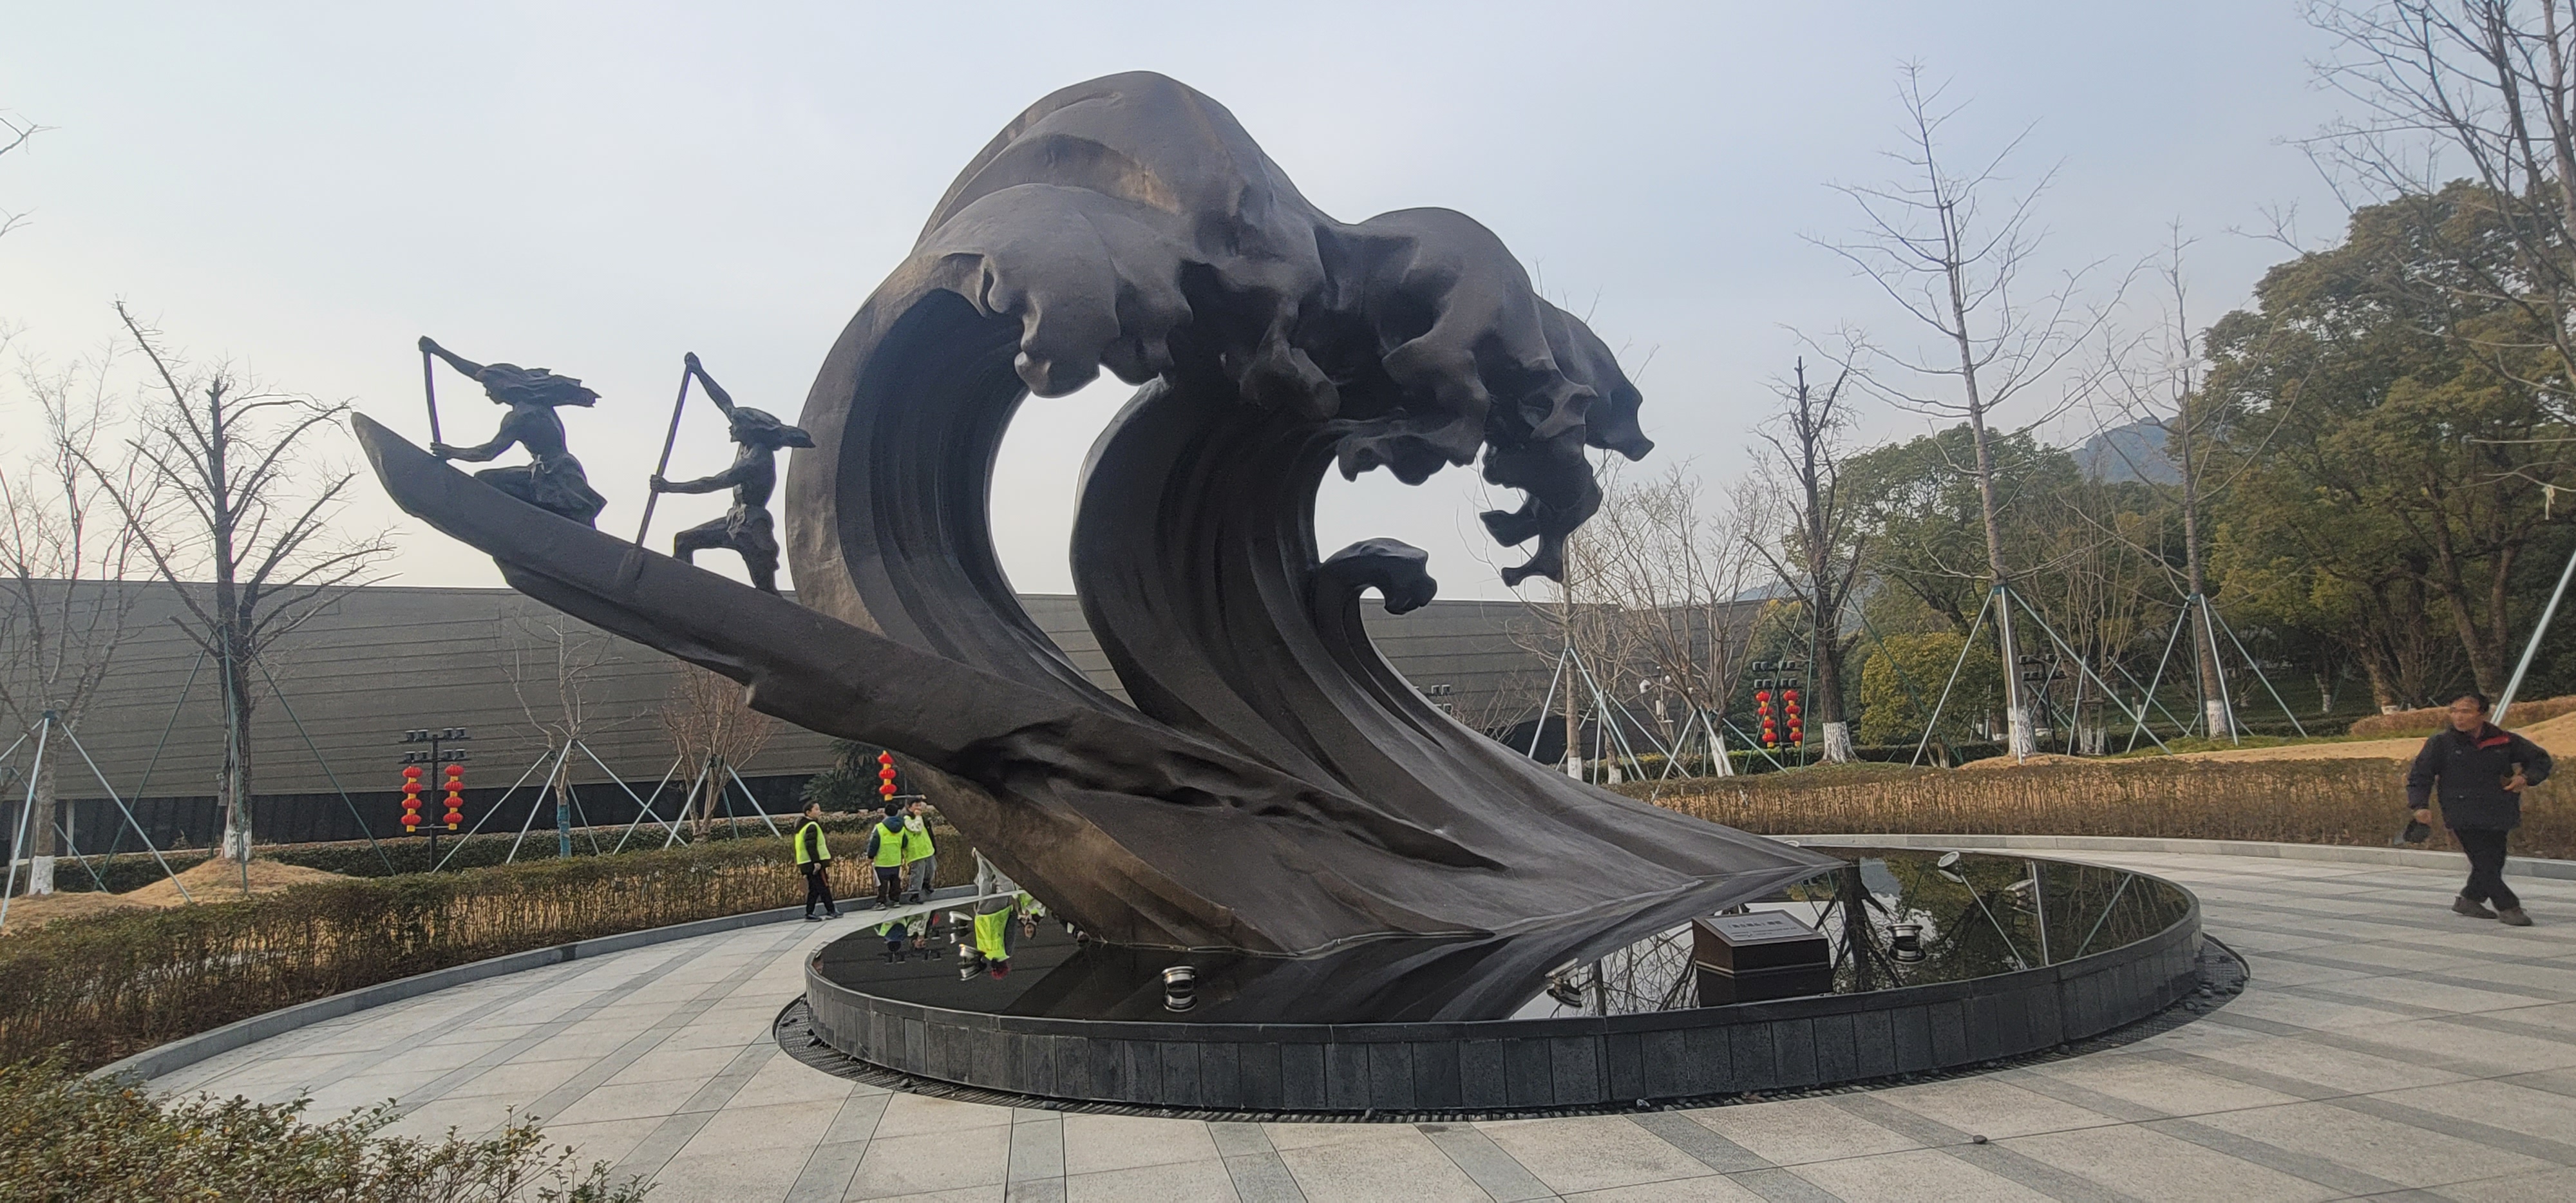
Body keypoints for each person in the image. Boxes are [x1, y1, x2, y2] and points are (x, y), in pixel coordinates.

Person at [647, 354, 816, 594]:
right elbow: (724, 402)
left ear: (748, 430)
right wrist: (699, 372)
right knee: (684, 540)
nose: (730, 426)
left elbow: (712, 483)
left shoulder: (756, 460)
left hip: (752, 527)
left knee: (766, 592)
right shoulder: (746, 441)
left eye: (735, 425)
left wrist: (669, 487)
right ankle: (684, 594)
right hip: (734, 519)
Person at [420, 337, 609, 526]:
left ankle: (522, 526)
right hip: (549, 468)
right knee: (489, 480)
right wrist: (438, 351)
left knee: (487, 480)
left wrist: (452, 452)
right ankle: (527, 524)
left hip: (554, 475)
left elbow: (487, 452)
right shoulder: (538, 400)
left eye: (488, 388)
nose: (487, 393)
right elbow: (478, 372)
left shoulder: (521, 417)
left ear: (502, 385)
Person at [2409, 692, 2552, 926]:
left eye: (2466, 711)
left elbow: (2541, 760)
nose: (2458, 717)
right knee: (2484, 860)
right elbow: (2420, 776)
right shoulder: (2441, 743)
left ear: (2483, 715)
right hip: (2461, 809)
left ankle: (2470, 899)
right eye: (2454, 711)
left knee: (2494, 860)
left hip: (2498, 808)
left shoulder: (2504, 740)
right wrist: (2420, 806)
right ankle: (2509, 906)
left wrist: (2526, 778)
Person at [791, 802, 838, 922]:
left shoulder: (802, 826)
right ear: (808, 812)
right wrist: (816, 862)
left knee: (815, 888)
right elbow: (811, 846)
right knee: (823, 886)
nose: (819, 812)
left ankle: (810, 912)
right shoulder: (811, 826)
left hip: (806, 862)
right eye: (816, 809)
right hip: (813, 863)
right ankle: (831, 910)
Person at [863, 803, 907, 909]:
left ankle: (881, 902)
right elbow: (905, 843)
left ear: (885, 813)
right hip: (896, 860)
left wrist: (870, 856)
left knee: (882, 883)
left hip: (882, 860)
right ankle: (895, 900)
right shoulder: (902, 827)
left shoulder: (880, 827)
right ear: (897, 813)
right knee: (895, 881)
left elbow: (874, 843)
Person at [900, 800, 938, 905]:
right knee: (917, 873)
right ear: (909, 807)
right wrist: (918, 817)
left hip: (927, 850)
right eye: (916, 805)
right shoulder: (907, 819)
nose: (919, 808)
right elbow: (917, 829)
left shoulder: (922, 818)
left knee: (931, 869)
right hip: (916, 852)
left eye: (920, 805)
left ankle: (926, 884)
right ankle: (914, 894)